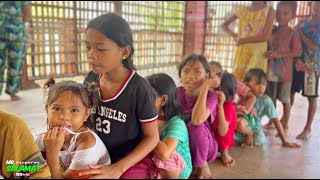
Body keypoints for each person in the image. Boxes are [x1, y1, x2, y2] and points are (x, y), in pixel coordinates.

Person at [79, 13, 159, 179]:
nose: (91, 55)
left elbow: (152, 138)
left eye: (100, 49)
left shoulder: (139, 89)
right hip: (97, 153)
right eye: (88, 47)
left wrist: (118, 169)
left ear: (124, 52)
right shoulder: (91, 78)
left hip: (129, 160)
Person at [35, 78, 111, 179]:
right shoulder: (46, 136)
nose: (64, 117)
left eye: (74, 110)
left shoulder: (87, 142)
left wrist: (52, 153)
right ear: (47, 110)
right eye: (56, 109)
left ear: (86, 114)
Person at [177, 54, 220, 179]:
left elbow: (197, 120)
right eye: (185, 71)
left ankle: (202, 165)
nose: (190, 76)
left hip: (206, 150)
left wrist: (206, 86)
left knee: (195, 126)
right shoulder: (177, 93)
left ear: (207, 76)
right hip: (184, 146)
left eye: (197, 71)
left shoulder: (212, 97)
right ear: (180, 75)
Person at [234, 68, 301, 148]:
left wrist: (284, 141)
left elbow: (276, 121)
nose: (261, 88)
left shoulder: (266, 101)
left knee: (257, 138)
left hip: (254, 130)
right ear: (246, 84)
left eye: (264, 84)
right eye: (257, 84)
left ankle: (250, 134)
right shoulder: (240, 96)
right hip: (239, 127)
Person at [264, 1, 302, 134]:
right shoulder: (272, 30)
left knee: (285, 99)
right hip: (270, 72)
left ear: (292, 16)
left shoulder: (293, 33)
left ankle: (285, 124)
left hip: (285, 74)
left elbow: (298, 52)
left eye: (285, 13)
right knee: (271, 99)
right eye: (278, 13)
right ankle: (272, 122)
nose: (281, 16)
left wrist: (280, 54)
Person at [146, 73, 192, 179]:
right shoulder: (146, 116)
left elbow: (164, 154)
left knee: (166, 155)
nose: (142, 101)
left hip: (178, 170)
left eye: (147, 97)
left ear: (163, 100)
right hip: (156, 160)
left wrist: (146, 127)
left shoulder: (176, 123)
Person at [222, 1, 276, 81]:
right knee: (239, 82)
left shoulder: (269, 10)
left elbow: (265, 36)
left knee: (254, 82)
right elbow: (224, 25)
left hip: (258, 55)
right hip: (242, 53)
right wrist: (234, 35)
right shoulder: (241, 10)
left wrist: (242, 40)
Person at [209, 60, 257, 149]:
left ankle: (249, 132)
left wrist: (245, 111)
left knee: (240, 124)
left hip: (245, 112)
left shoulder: (231, 82)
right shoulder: (210, 86)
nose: (208, 76)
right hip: (232, 112)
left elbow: (252, 97)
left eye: (210, 73)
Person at [291, 1, 320, 140]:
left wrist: (301, 34)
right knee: (290, 92)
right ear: (310, 3)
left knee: (311, 97)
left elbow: (314, 47)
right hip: (297, 65)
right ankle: (282, 121)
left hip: (312, 69)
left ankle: (307, 128)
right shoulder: (303, 22)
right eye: (317, 3)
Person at [0, 109, 51, 179]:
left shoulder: (10, 126)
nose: (63, 117)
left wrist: (53, 151)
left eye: (72, 110)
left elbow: (37, 172)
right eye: (57, 109)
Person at [0, 1, 32, 101]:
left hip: (17, 32)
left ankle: (12, 91)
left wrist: (21, 24)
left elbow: (27, 11)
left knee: (16, 62)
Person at [212, 71, 237, 167]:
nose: (212, 90)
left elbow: (223, 132)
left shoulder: (229, 107)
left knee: (223, 135)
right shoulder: (214, 99)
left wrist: (220, 106)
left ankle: (224, 153)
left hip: (224, 136)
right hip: (214, 132)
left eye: (214, 89)